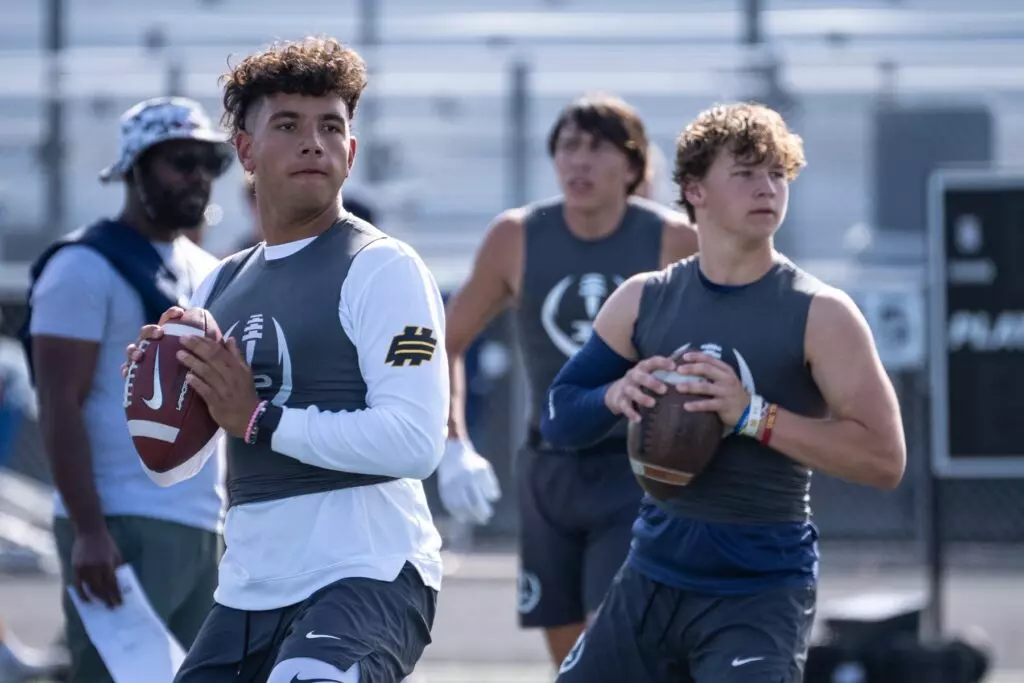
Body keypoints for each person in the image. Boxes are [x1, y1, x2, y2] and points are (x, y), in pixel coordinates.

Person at [542, 102, 907, 682]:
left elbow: (884, 459)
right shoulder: (643, 299)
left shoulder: (821, 313)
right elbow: (559, 416)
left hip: (758, 592)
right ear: (695, 190)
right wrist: (614, 394)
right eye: (745, 173)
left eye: (777, 174)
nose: (767, 189)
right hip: (652, 577)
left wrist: (753, 415)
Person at [123, 37, 447, 683]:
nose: (313, 143)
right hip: (249, 587)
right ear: (246, 151)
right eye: (289, 125)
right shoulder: (217, 285)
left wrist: (259, 418)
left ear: (351, 151)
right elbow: (173, 468)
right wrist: (156, 399)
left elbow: (415, 443)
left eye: (330, 126)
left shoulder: (383, 266)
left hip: (369, 573)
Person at [442, 92, 698, 665]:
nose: (579, 161)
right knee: (568, 656)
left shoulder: (674, 240)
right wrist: (454, 442)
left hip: (635, 469)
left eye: (598, 147)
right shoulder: (516, 236)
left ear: (631, 165)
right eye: (568, 146)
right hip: (548, 467)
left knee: (615, 645)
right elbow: (447, 342)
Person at [24, 96, 232, 683]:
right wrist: (90, 531)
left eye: (208, 163)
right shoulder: (81, 266)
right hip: (120, 519)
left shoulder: (208, 269)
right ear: (135, 170)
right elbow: (59, 404)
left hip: (203, 522)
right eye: (180, 161)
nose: (198, 176)